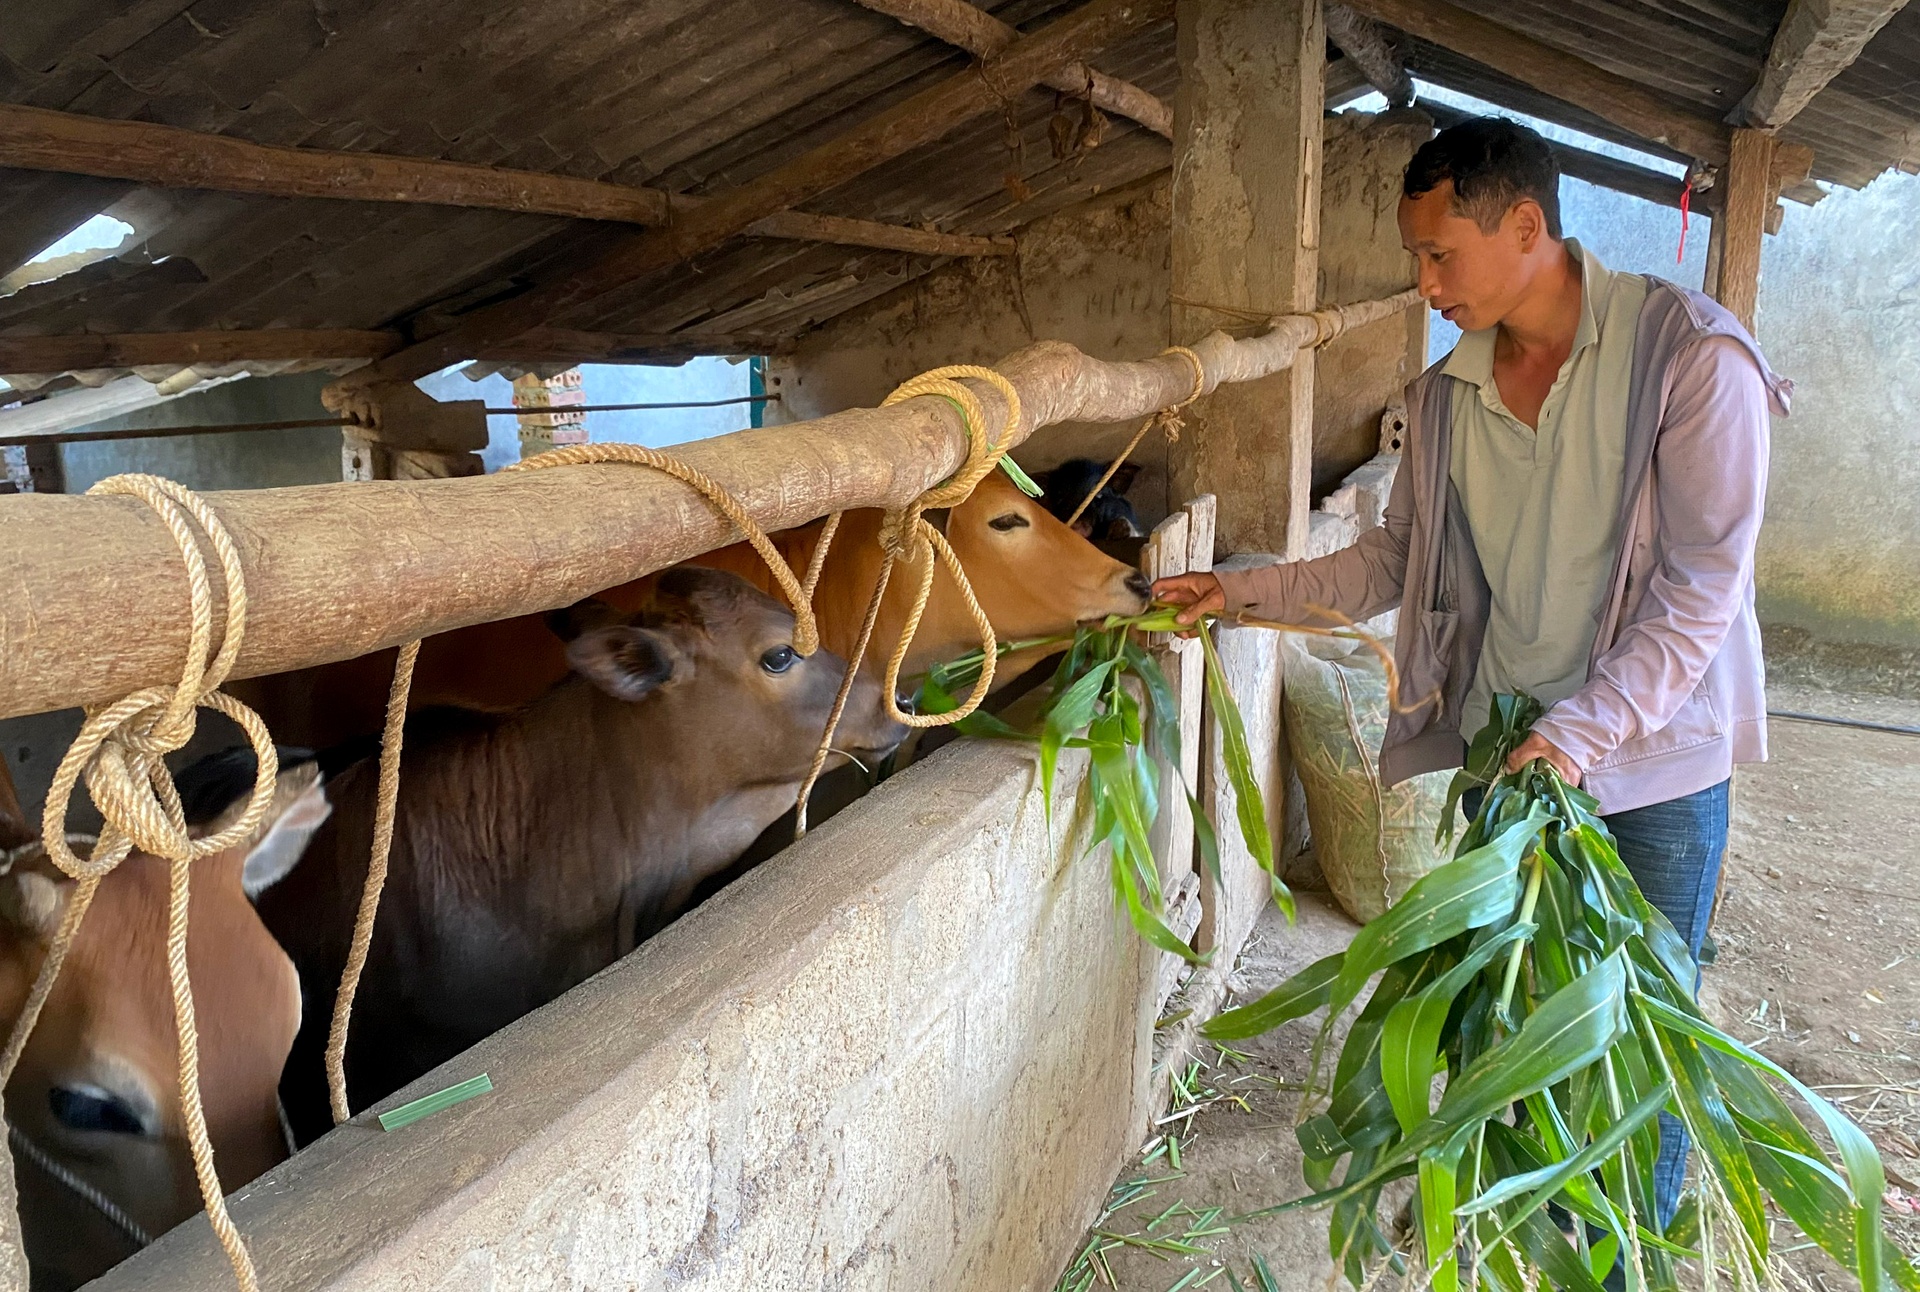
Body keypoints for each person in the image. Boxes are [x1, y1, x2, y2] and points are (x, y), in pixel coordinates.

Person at [1152, 116, 1790, 1228]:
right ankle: (1514, 1217)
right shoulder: (1447, 395)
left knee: (1639, 1012)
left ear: (1528, 226)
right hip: (1510, 748)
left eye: (1439, 254)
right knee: (1509, 1008)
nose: (1423, 280)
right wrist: (1238, 593)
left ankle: (1623, 1232)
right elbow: (1394, 560)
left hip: (1648, 765)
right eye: (1416, 255)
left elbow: (1702, 592)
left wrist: (1581, 734)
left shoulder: (1694, 359)